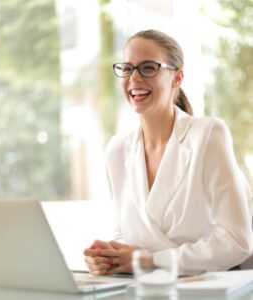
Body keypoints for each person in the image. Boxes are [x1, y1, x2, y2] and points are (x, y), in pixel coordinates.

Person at [83, 29, 253, 276]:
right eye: (127, 68)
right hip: (147, 288)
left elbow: (237, 241)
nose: (134, 78)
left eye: (148, 68)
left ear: (177, 77)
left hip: (206, 287)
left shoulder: (207, 134)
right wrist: (109, 257)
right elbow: (125, 231)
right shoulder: (117, 149)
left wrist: (149, 260)